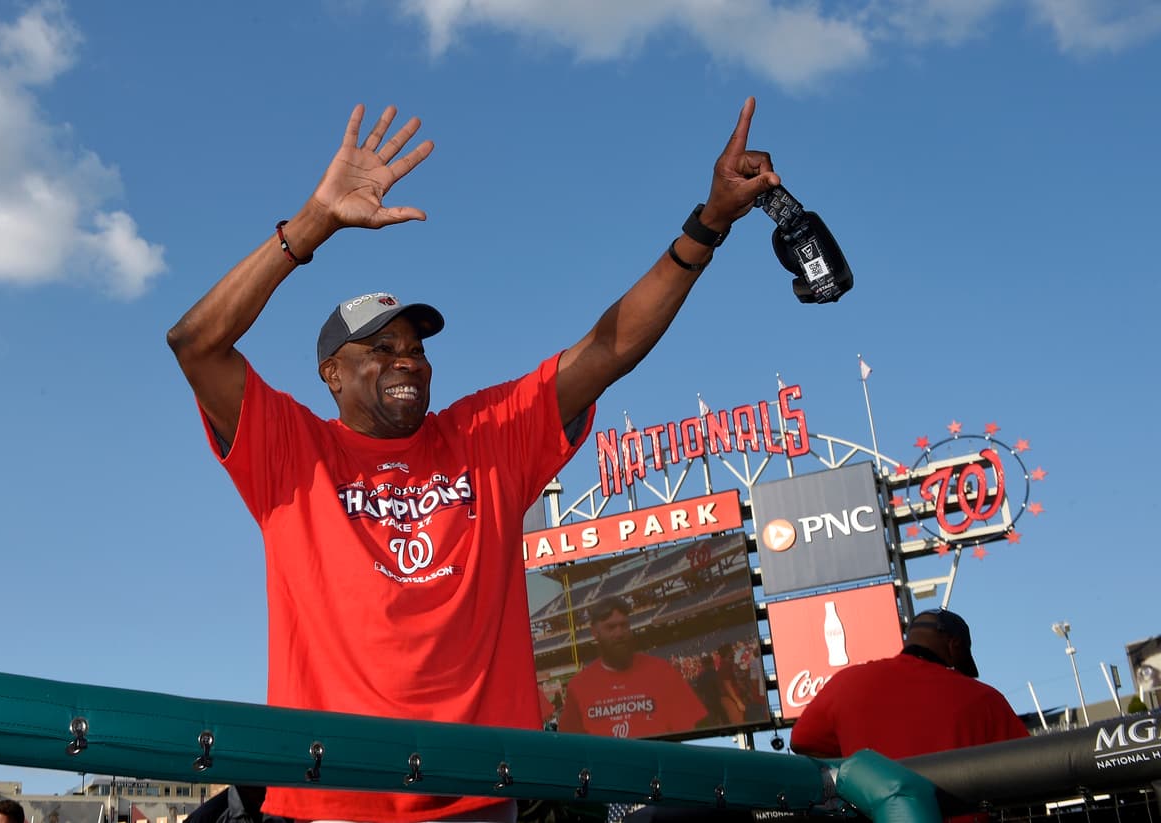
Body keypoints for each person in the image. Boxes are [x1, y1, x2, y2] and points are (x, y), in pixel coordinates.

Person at [167, 98, 781, 823]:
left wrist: (706, 224)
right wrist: (313, 224)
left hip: (481, 797)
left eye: (417, 348)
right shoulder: (291, 448)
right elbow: (195, 342)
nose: (408, 362)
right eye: (382, 348)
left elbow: (609, 348)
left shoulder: (484, 436)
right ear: (331, 373)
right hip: (332, 799)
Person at [790, 608, 1029, 760]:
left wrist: (855, 773)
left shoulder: (846, 683)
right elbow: (1029, 763)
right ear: (954, 645)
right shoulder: (984, 698)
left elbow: (802, 742)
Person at [558, 596, 707, 737]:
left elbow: (691, 732)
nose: (619, 633)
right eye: (610, 627)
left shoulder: (662, 671)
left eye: (624, 625)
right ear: (595, 633)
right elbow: (569, 746)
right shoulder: (579, 686)